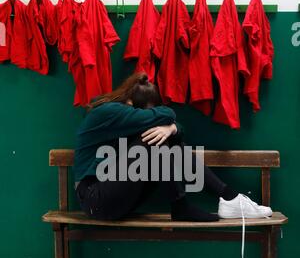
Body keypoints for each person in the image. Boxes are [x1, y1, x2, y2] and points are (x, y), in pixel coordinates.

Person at [74, 72, 272, 222]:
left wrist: (172, 130)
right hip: (95, 199)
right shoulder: (108, 112)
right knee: (156, 141)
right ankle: (192, 205)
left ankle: (227, 198)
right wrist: (167, 124)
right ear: (129, 102)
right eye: (147, 113)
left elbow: (173, 126)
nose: (149, 120)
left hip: (116, 196)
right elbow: (167, 114)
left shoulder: (125, 116)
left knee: (164, 140)